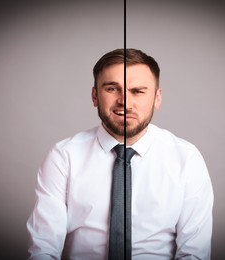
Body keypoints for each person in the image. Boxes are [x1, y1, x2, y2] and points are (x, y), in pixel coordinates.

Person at [26, 48, 214, 260]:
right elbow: (43, 248)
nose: (124, 101)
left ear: (157, 98)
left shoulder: (186, 158)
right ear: (95, 96)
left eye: (138, 91)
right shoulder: (64, 156)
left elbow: (194, 253)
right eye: (112, 89)